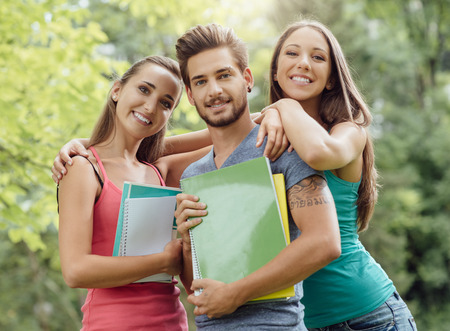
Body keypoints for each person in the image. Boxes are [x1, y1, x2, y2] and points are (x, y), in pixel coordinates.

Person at [173, 23, 341, 330]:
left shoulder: (282, 148)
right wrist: (186, 242)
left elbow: (325, 241)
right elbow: (196, 286)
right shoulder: (194, 174)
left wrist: (235, 294)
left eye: (224, 75)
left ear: (246, 79)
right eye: (200, 82)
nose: (214, 91)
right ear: (190, 94)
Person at [254, 20, 417, 330]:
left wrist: (284, 106)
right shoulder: (269, 128)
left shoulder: (349, 131)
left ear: (330, 79)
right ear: (275, 70)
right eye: (292, 53)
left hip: (370, 315)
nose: (303, 62)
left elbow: (318, 152)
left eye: (318, 57)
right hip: (308, 323)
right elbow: (194, 145)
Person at [57, 55, 210, 330]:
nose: (151, 107)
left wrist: (277, 111)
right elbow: (75, 270)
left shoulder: (159, 170)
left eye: (166, 103)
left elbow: (229, 138)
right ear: (116, 90)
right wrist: (164, 261)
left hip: (173, 323)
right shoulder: (83, 167)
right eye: (144, 89)